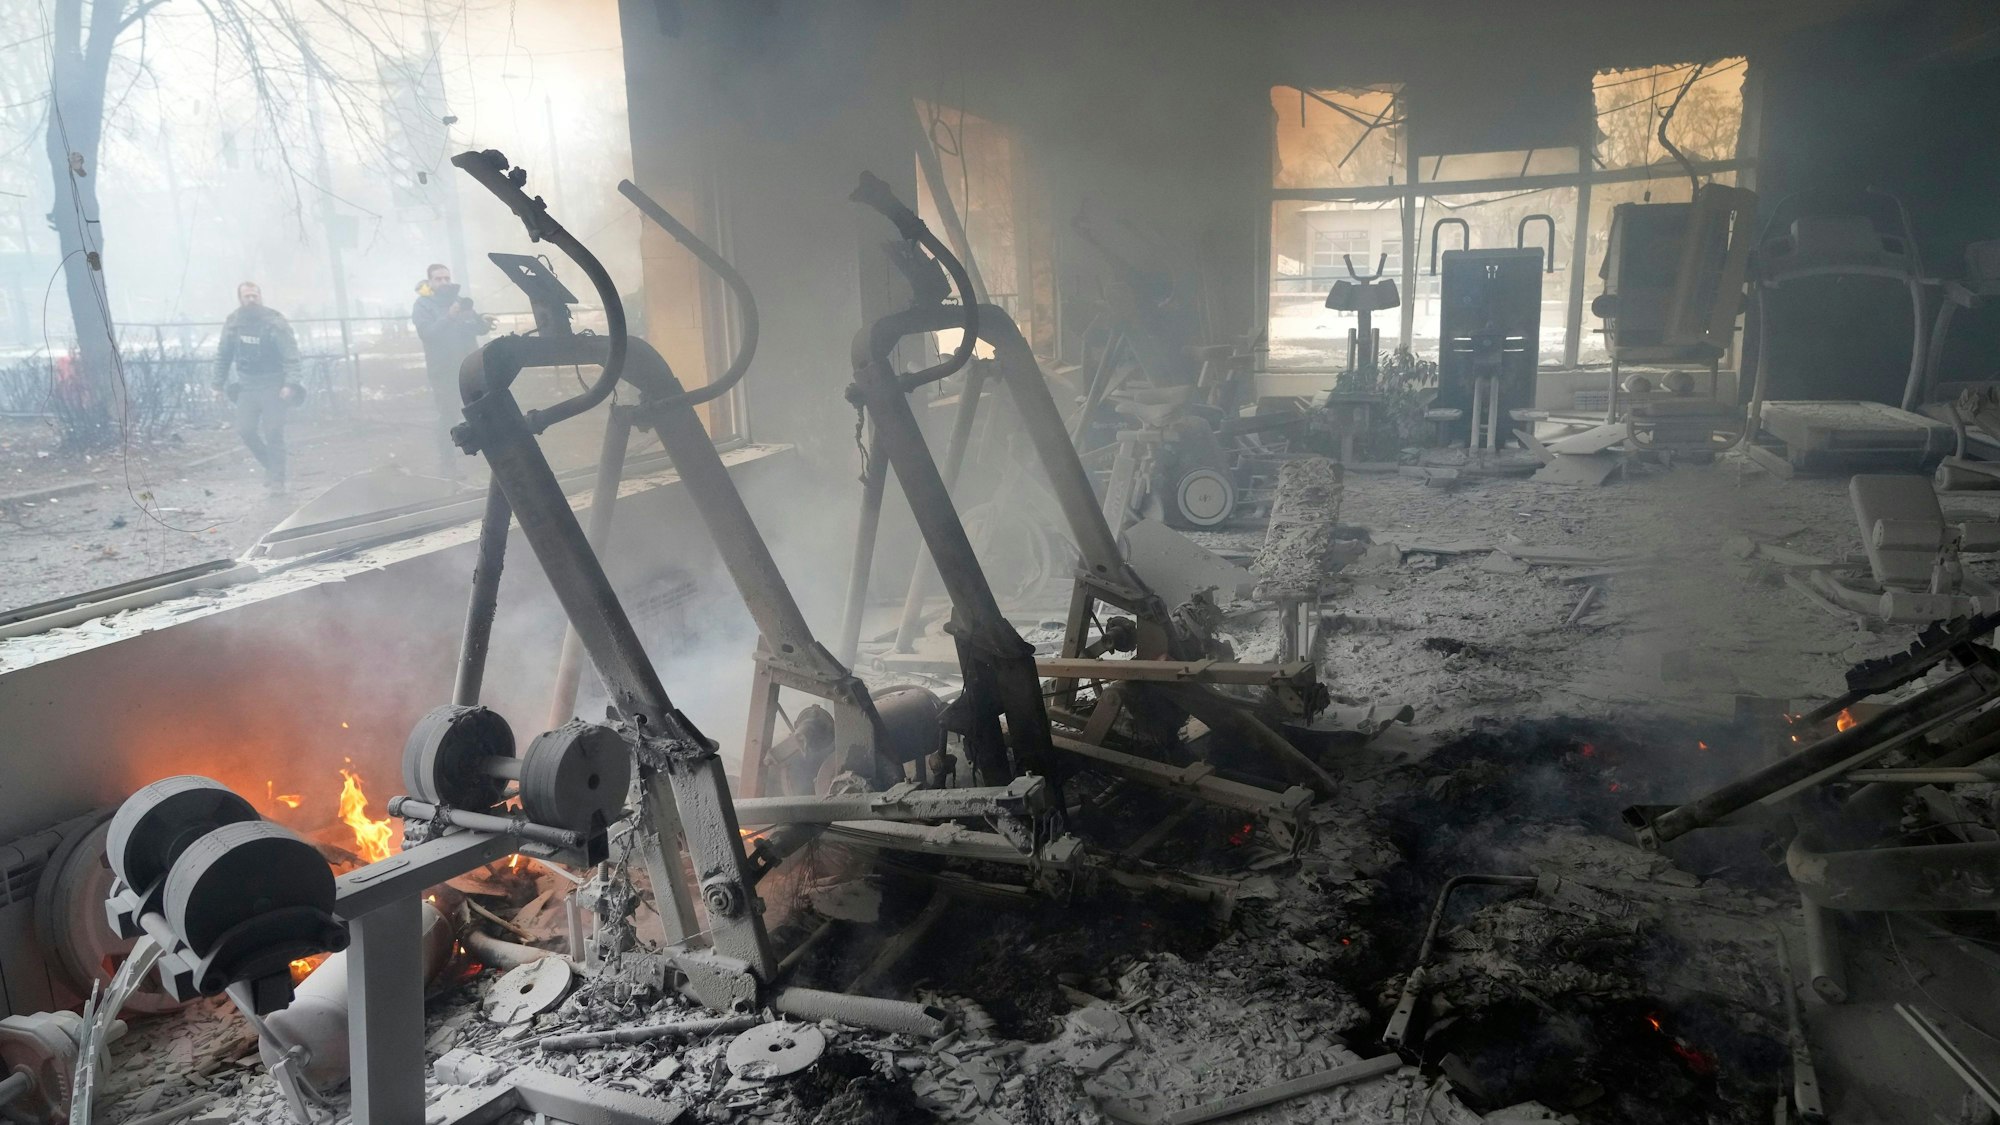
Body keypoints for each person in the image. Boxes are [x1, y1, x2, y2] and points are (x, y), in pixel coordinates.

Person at [213, 281, 301, 491]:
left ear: (260, 297)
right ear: (240, 299)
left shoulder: (274, 321)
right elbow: (223, 355)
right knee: (245, 430)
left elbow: (291, 355)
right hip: (247, 385)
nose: (251, 300)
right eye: (247, 297)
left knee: (273, 431)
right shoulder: (233, 323)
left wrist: (290, 383)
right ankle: (271, 467)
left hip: (274, 384)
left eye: (255, 296)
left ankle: (277, 480)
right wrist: (217, 384)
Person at [411, 263, 490, 473]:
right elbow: (427, 333)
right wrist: (449, 316)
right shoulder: (423, 305)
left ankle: (492, 459)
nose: (444, 282)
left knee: (483, 411)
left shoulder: (459, 301)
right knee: (449, 415)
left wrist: (483, 322)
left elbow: (475, 327)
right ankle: (447, 465)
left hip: (470, 367)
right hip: (443, 370)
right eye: (438, 279)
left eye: (447, 278)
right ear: (430, 282)